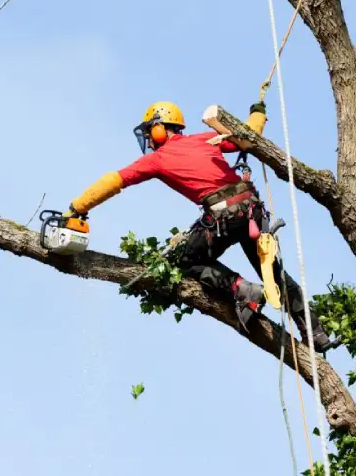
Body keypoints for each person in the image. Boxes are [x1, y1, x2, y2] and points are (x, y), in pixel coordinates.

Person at [62, 100, 331, 350]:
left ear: (158, 129)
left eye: (150, 133)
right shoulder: (205, 139)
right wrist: (258, 111)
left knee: (186, 261)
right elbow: (249, 135)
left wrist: (77, 207)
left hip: (224, 215)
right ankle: (315, 330)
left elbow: (115, 180)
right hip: (251, 210)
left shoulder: (158, 158)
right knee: (272, 272)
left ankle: (241, 289)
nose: (149, 141)